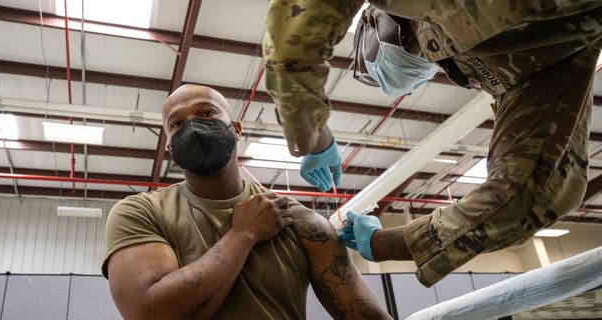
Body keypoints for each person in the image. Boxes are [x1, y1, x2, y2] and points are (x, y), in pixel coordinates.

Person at [263, 1, 602, 286]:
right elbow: (527, 196)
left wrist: (313, 137)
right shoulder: (537, 67)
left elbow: (295, 34)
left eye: (412, 44)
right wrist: (380, 243)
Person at [101, 84, 391, 319]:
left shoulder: (298, 220)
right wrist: (243, 234)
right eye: (177, 123)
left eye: (207, 112)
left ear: (236, 129)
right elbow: (149, 312)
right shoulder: (140, 212)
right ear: (169, 148)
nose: (193, 126)